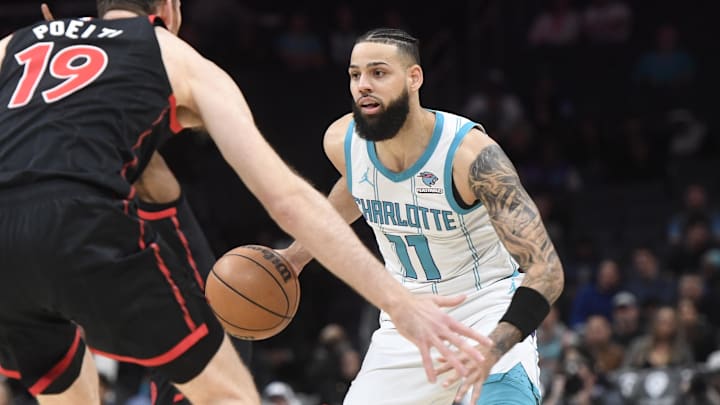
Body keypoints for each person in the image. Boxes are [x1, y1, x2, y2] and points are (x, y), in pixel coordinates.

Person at [0, 2, 492, 404]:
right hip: (79, 223)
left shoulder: (10, 46)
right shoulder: (177, 57)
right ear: (170, 10)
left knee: (66, 394)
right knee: (229, 397)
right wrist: (398, 301)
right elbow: (286, 198)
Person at [280, 28, 564, 404]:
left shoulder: (471, 156)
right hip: (406, 321)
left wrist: (494, 347)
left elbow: (547, 270)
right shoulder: (341, 141)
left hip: (485, 315)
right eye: (355, 75)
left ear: (414, 78)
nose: (363, 85)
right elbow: (358, 186)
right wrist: (295, 256)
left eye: (378, 73)